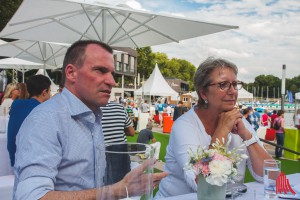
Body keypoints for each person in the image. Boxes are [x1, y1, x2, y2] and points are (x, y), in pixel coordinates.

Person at [13, 40, 167, 200]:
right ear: (72, 73)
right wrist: (116, 191)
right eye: (100, 70)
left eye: (112, 74)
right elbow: (32, 196)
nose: (112, 82)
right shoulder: (45, 120)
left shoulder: (94, 115)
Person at [155, 57, 273, 198]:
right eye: (223, 85)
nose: (233, 91)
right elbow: (200, 182)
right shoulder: (184, 126)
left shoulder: (240, 122)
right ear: (204, 93)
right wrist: (222, 130)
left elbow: (269, 175)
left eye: (235, 84)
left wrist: (246, 136)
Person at [7, 75, 51, 166]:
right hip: (33, 165)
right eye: (49, 91)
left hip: (14, 160)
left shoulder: (16, 104)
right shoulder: (44, 110)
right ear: (44, 92)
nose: (50, 94)